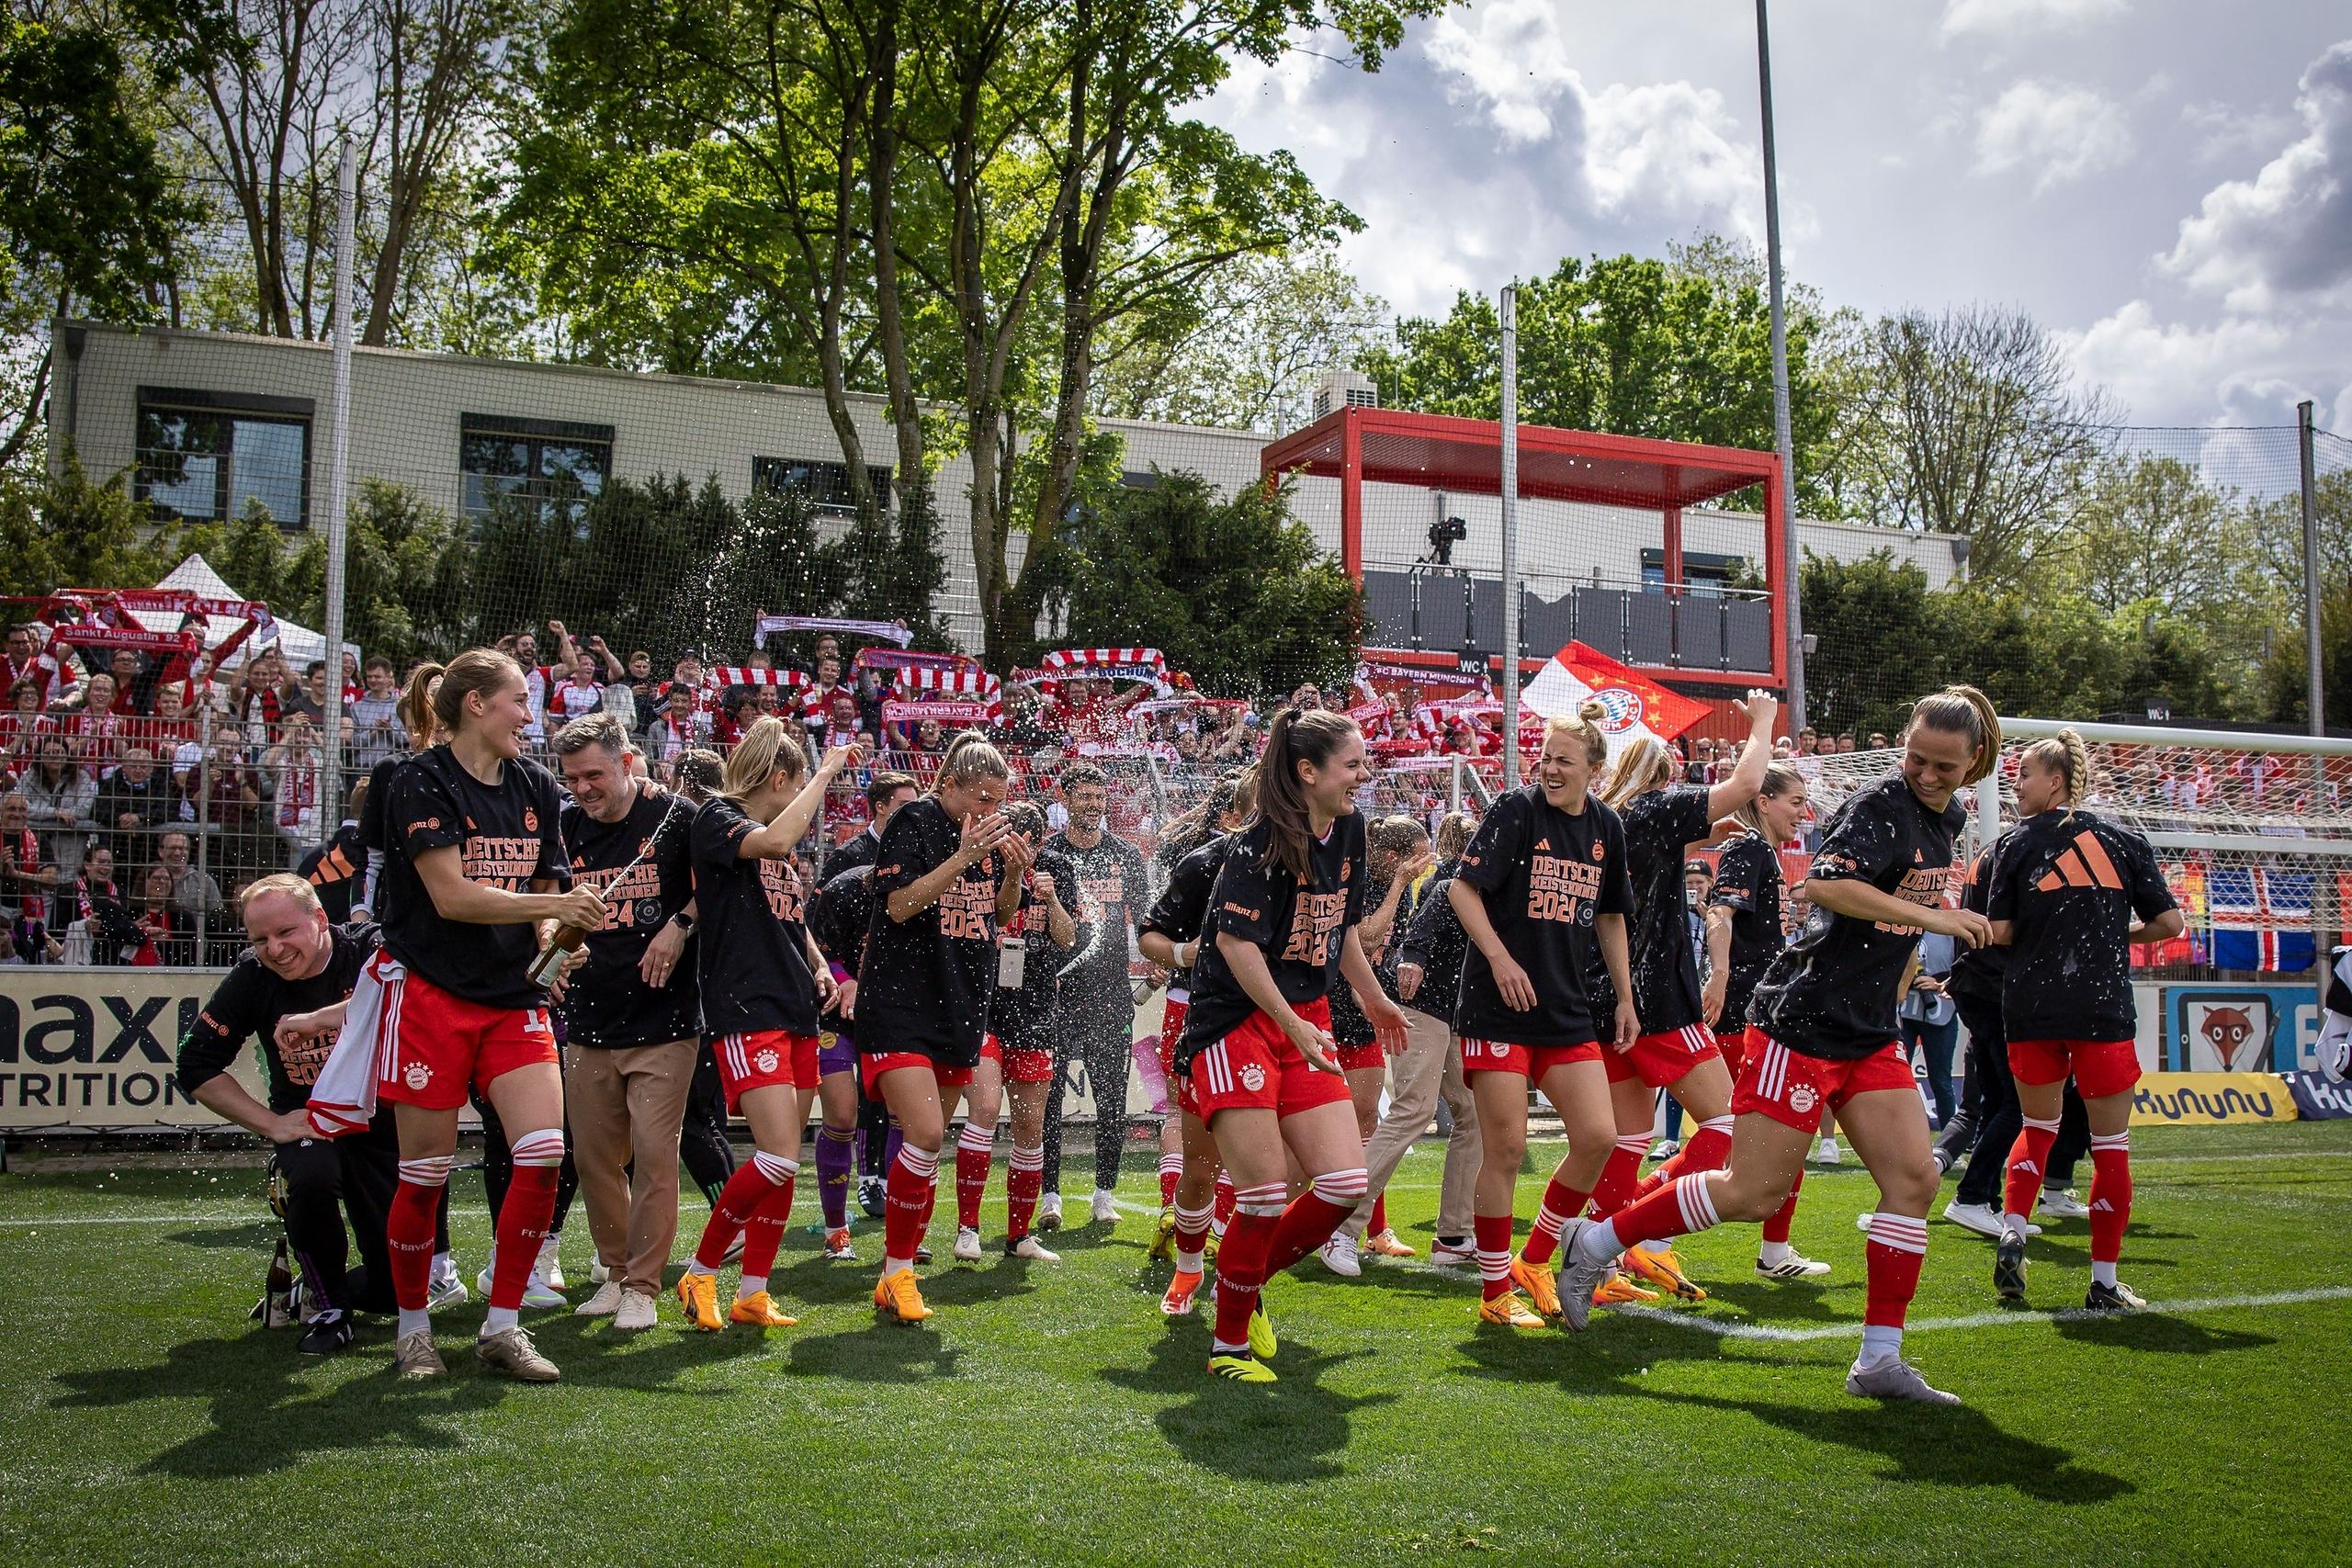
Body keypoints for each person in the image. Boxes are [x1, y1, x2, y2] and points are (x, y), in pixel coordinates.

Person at [1557, 686, 2005, 1407]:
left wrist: (1909, 967)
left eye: (1944, 767)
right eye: (1917, 758)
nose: (1926, 774)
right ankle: (1595, 1243)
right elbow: (1827, 886)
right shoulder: (1878, 807)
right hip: (1801, 1021)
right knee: (1749, 1189)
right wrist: (1935, 916)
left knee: (1915, 1180)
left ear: (1975, 760)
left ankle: (1880, 1359)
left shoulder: (1947, 816)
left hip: (1868, 1032)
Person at [368, 649, 605, 1381]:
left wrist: (554, 946)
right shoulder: (416, 779)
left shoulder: (535, 784)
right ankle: (415, 1332)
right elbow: (452, 896)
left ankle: (501, 1325)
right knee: (424, 1174)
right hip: (432, 996)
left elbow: (542, 897)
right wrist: (554, 908)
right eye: (517, 701)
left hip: (512, 999)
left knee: (542, 1155)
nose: (528, 717)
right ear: (477, 705)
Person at [1179, 709, 1407, 1382]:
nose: (1363, 777)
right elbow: (1233, 946)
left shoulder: (1354, 830)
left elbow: (1340, 931)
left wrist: (1370, 996)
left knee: (1343, 1183)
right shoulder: (1256, 846)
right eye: (1353, 765)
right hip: (1235, 1022)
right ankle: (1227, 1349)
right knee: (1263, 1194)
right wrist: (1293, 1023)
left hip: (1302, 1015)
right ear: (1308, 772)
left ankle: (1236, 1284)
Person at [1445, 705, 1640, 1327]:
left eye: (1564, 760)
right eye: (1546, 756)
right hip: (1496, 1008)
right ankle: (1496, 1291)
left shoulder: (1607, 824)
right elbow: (1460, 887)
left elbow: (1611, 916)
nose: (1549, 768)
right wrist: (1499, 958)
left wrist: (1626, 996)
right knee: (1505, 1147)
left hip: (1567, 1008)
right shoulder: (1516, 809)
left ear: (1595, 771)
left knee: (1598, 1138)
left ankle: (1536, 1258)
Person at [1580, 690, 1778, 1303]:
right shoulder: (1657, 810)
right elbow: (1746, 783)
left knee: (1628, 1139)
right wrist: (1764, 720)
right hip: (1659, 998)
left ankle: (1606, 1260)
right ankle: (1632, 1226)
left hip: (1612, 997)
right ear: (1666, 777)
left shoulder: (1614, 819)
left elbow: (1704, 830)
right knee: (1730, 1128)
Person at [1985, 728, 2182, 1310]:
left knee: (2038, 1128)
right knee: (2111, 1144)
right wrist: (2114, 941)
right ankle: (2102, 1281)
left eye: (2023, 773)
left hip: (2030, 1008)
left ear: (2056, 780)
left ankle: (2014, 1231)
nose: (2016, 784)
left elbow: (1999, 933)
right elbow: (2171, 926)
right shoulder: (2124, 839)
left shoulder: (2012, 846)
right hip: (2101, 1008)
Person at [675, 718, 858, 1333]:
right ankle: (701, 1270)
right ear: (781, 778)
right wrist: (828, 772)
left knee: (785, 1160)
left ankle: (753, 1290)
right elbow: (776, 843)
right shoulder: (718, 817)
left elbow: (788, 912)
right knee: (778, 1157)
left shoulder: (774, 834)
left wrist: (817, 964)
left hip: (794, 1005)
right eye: (800, 780)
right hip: (747, 1007)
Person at [175, 876, 390, 1355]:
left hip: (385, 1123)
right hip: (309, 1122)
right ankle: (329, 1304)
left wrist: (317, 1019)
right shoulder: (252, 977)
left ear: (319, 919)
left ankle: (306, 1289)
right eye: (259, 939)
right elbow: (193, 1064)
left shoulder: (368, 948)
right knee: (311, 1181)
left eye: (285, 933)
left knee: (397, 1288)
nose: (274, 949)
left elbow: (408, 996)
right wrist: (271, 1125)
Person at [858, 730, 1030, 1324]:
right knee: (928, 1133)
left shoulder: (986, 837)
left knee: (925, 1149)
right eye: (980, 799)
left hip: (960, 1003)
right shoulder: (916, 820)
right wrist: (962, 856)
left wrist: (1009, 875)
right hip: (902, 1005)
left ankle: (894, 1272)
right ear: (947, 784)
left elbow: (999, 915)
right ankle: (898, 1272)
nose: (989, 813)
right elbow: (899, 904)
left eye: (998, 802)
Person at [550, 713, 699, 1332]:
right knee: (591, 1159)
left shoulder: (677, 818)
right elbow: (547, 900)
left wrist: (680, 922)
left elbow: (722, 886)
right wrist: (553, 949)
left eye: (594, 774)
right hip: (587, 1020)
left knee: (655, 1156)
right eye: (572, 778)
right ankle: (614, 1273)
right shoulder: (562, 827)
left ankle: (643, 1285)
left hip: (664, 1020)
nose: (583, 788)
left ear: (628, 761)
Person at [1135, 769, 1258, 1315]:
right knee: (1196, 1133)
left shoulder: (1315, 859)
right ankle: (1188, 1238)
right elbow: (1151, 935)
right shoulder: (1204, 861)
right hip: (1199, 1010)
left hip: (1278, 1017)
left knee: (1271, 1144)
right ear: (1234, 816)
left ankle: (1228, 1236)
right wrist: (1190, 955)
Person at [1699, 761, 1829, 1280]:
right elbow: (1719, 913)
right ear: (1763, 801)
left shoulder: (1766, 856)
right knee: (1722, 1137)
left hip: (1761, 1014)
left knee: (1781, 1133)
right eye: (1795, 801)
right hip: (1741, 1016)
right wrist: (1720, 977)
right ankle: (1633, 1231)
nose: (1804, 812)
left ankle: (1775, 1251)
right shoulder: (1749, 848)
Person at [1316, 816, 1433, 1277]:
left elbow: (1391, 943)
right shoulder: (1358, 876)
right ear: (1392, 856)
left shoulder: (1402, 886)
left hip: (1365, 1013)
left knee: (1369, 1116)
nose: (1423, 867)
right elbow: (1363, 936)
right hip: (1330, 1010)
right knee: (1319, 1123)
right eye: (1416, 857)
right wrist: (1399, 883)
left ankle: (1374, 1228)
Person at [1039, 761, 1151, 1228]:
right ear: (1066, 800)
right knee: (1047, 1100)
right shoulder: (1048, 857)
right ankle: (1050, 1194)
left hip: (1110, 995)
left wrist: (1158, 965)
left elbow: (1147, 920)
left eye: (1100, 797)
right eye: (1084, 796)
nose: (1094, 805)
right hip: (1059, 995)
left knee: (1112, 1099)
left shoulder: (1124, 856)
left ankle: (1105, 1192)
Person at [1374, 811, 1484, 1268]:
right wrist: (1414, 956)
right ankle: (1335, 1223)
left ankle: (1455, 1237)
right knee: (1411, 1112)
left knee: (1473, 1114)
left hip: (1453, 1014)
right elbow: (1430, 916)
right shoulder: (1450, 879)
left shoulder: (1463, 877)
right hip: (1423, 1008)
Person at [979, 799, 1078, 1262]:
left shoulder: (1057, 868)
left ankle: (1019, 1236)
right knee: (981, 1113)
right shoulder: (980, 865)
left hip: (1036, 1009)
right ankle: (966, 1229)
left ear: (1038, 843)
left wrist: (1053, 897)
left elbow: (1068, 939)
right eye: (1006, 842)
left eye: (1024, 843)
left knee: (1030, 1127)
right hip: (982, 1007)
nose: (1014, 851)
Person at [820, 770, 920, 1216]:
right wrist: (843, 978)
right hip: (843, 999)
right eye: (903, 804)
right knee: (848, 1107)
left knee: (892, 1101)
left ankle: (882, 1179)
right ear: (880, 806)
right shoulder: (848, 859)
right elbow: (821, 927)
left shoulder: (920, 848)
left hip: (894, 997)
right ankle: (862, 1183)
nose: (912, 815)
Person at [1898, 931, 1961, 1128]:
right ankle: (1897, 1135)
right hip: (1905, 1011)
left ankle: (1948, 1140)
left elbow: (1963, 967)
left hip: (1941, 1013)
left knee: (1941, 1079)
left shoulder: (1949, 931)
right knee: (1898, 1078)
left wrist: (1938, 982)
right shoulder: (1903, 923)